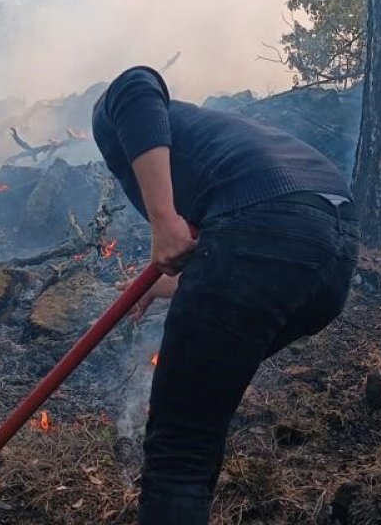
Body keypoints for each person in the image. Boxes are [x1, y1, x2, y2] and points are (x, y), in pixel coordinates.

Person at [91, 65, 360, 524]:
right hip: (330, 252)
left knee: (180, 447)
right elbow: (252, 246)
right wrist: (177, 283)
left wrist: (162, 219)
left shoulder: (124, 118)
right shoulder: (223, 141)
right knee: (199, 417)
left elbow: (134, 84)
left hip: (266, 232)